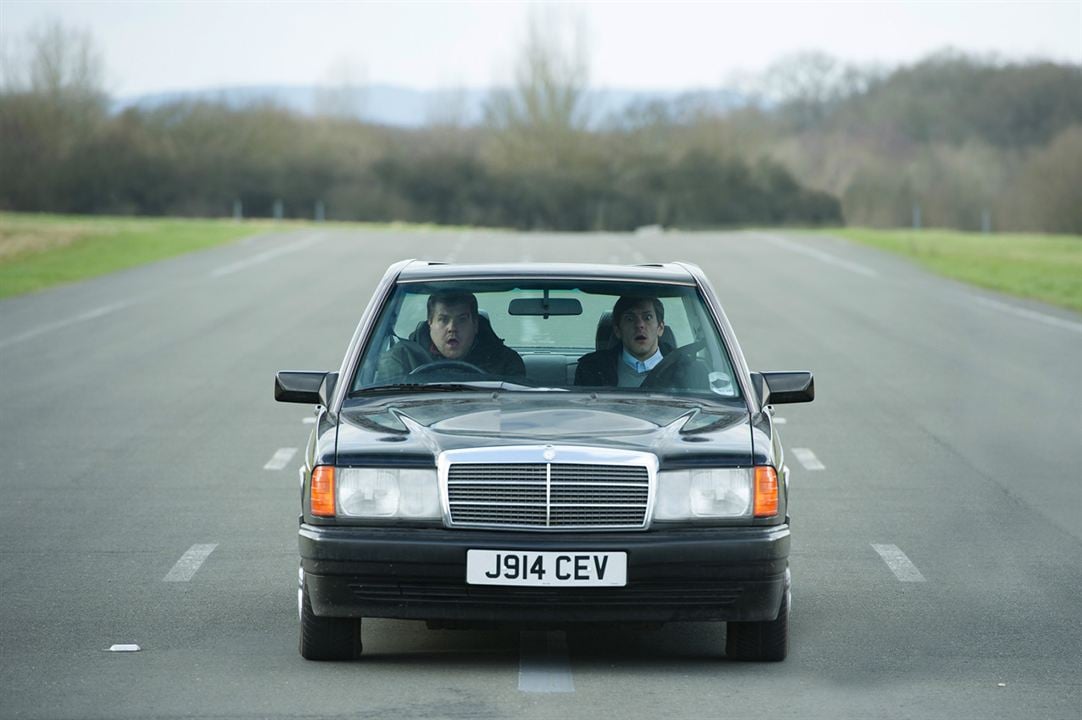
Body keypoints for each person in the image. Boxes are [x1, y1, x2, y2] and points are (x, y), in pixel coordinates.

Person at [378, 291, 525, 379]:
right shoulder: (401, 358)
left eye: (461, 320)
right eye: (443, 320)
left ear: (475, 325)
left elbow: (514, 416)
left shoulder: (505, 362)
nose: (452, 328)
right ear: (430, 322)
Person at [574, 296, 706, 389]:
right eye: (630, 318)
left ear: (660, 328)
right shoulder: (591, 369)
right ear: (617, 330)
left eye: (647, 317)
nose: (640, 325)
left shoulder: (691, 370)